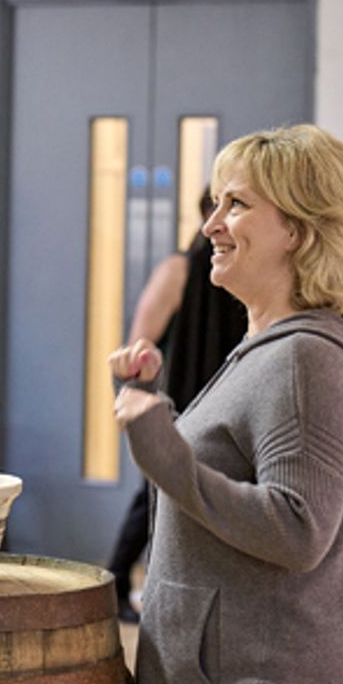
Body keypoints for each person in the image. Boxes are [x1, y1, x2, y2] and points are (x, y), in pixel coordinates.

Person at [109, 125, 343, 684]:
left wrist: (164, 451)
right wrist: (149, 399)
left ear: (298, 229)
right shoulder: (270, 347)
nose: (210, 226)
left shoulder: (306, 361)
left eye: (235, 205)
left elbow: (297, 531)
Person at [106, 190, 246, 621]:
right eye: (220, 206)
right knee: (154, 493)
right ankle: (116, 579)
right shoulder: (179, 268)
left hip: (226, 398)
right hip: (180, 395)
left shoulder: (243, 276)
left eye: (237, 205)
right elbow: (139, 341)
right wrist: (137, 394)